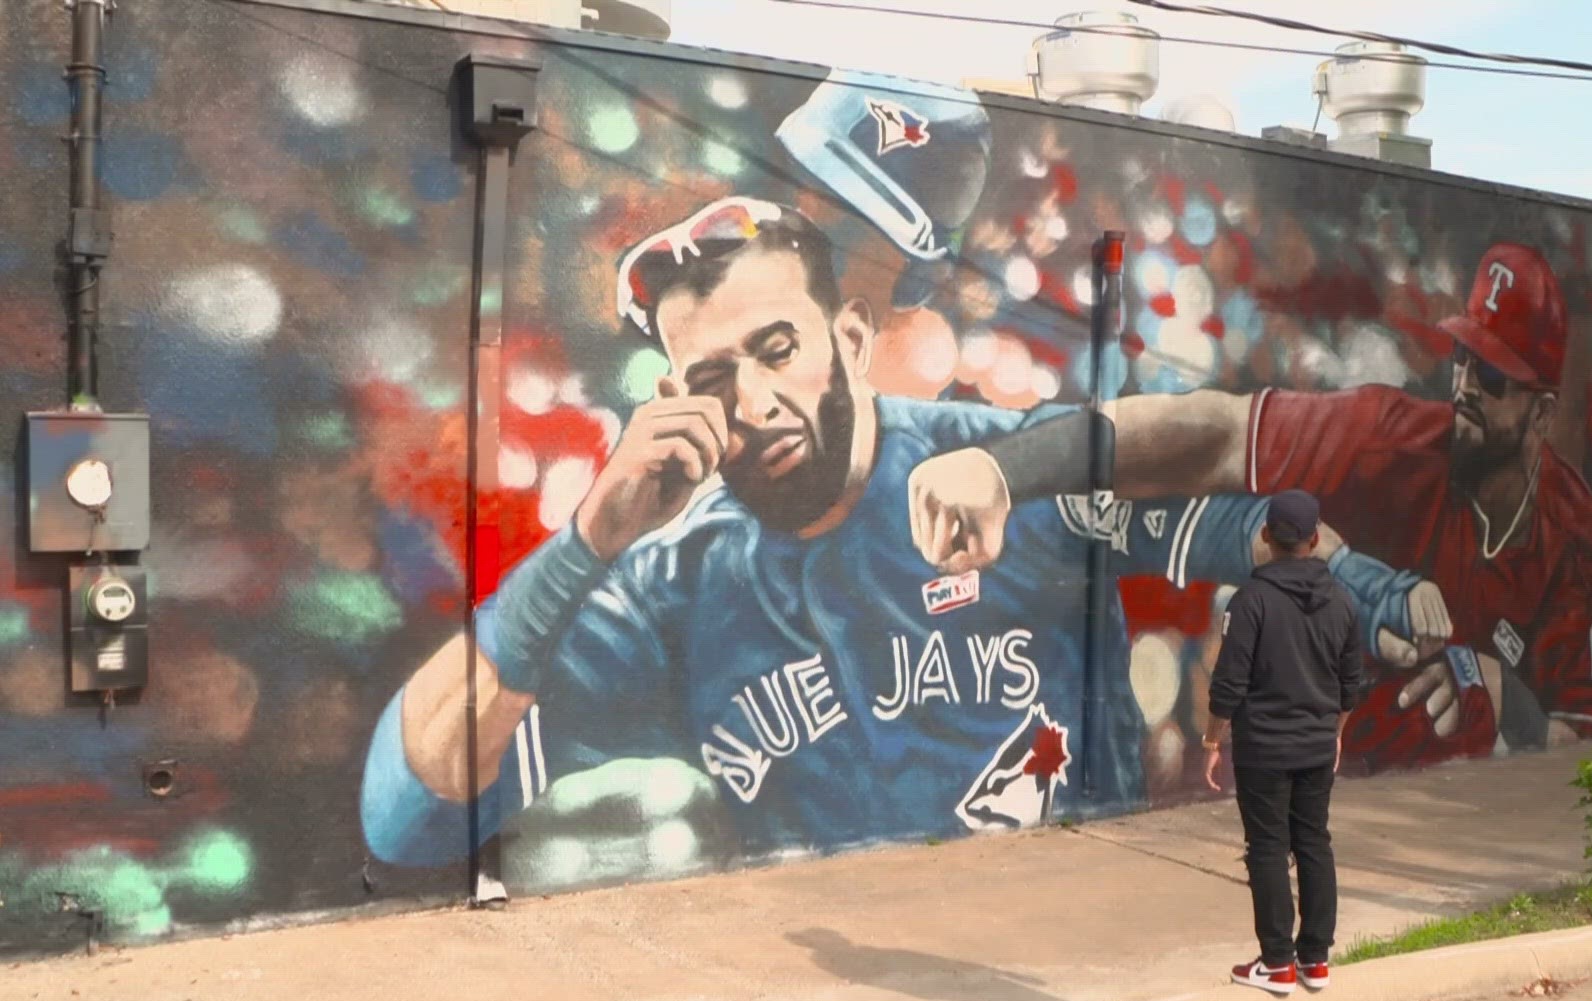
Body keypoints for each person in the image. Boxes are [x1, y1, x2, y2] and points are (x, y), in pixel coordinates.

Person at [358, 197, 1277, 868]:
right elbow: (409, 815)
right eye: (713, 377)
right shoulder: (673, 585)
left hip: (1070, 944)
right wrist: (590, 540)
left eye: (777, 350)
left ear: (850, 337)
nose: (753, 405)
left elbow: (1261, 516)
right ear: (676, 399)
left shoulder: (1012, 468)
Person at [909, 242, 1592, 773]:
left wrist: (1509, 704)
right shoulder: (1393, 438)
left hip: (1457, 835)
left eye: (1494, 377)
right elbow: (1217, 433)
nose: (1466, 383)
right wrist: (1007, 467)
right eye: (1464, 359)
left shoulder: (1576, 543)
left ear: (1542, 415)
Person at [1202, 490, 1363, 995]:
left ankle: (1277, 962)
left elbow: (1229, 683)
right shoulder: (1342, 601)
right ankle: (1315, 959)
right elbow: (1350, 686)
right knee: (1314, 842)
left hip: (1265, 751)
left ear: (1266, 537)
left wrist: (1211, 741)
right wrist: (1334, 736)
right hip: (1316, 748)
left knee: (1268, 848)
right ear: (1315, 540)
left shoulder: (1251, 602)